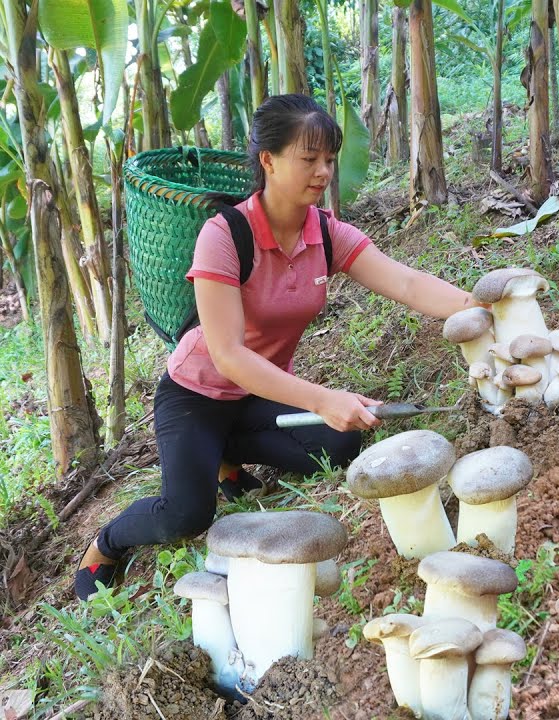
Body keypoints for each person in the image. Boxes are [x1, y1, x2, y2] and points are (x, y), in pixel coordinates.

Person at [76, 94, 479, 600]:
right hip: (196, 394)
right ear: (268, 160)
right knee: (187, 514)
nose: (323, 170)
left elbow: (408, 285)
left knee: (340, 444)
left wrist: (480, 305)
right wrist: (323, 399)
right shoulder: (224, 236)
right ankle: (106, 543)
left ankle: (222, 454)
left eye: (329, 159)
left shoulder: (325, 234)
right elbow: (228, 356)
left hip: (258, 395)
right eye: (308, 158)